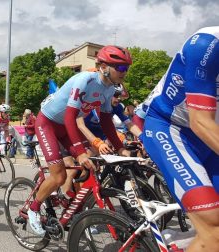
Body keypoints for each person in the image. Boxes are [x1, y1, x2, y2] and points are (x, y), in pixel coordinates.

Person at [28, 45, 132, 236]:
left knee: (88, 167)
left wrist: (120, 148)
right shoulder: (85, 80)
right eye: (121, 67)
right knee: (59, 175)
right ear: (103, 66)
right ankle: (33, 208)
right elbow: (70, 117)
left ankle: (70, 203)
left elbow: (106, 121)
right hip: (48, 124)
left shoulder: (109, 89)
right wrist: (81, 151)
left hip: (66, 127)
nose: (124, 72)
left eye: (127, 68)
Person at [140, 27, 219, 251]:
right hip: (171, 129)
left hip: (208, 136)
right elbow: (200, 122)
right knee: (214, 226)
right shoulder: (207, 44)